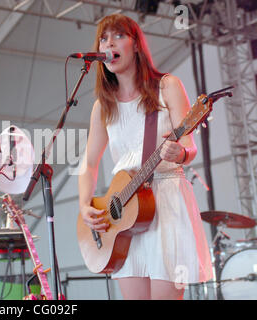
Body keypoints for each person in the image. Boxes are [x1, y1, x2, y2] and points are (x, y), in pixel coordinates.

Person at [78, 14, 213, 300]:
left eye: (118, 36)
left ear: (136, 45)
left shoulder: (167, 86)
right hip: (123, 212)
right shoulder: (103, 107)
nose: (109, 43)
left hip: (165, 201)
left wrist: (181, 153)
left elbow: (189, 146)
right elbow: (89, 164)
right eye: (104, 38)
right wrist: (84, 205)